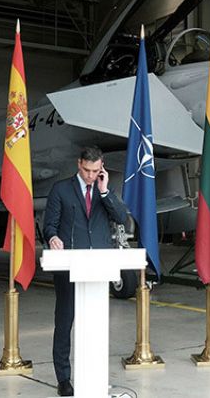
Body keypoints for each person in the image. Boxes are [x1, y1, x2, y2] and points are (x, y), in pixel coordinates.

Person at [43, 146, 129, 397]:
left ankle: (94, 374)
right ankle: (63, 378)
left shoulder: (104, 191)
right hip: (69, 266)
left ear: (101, 168)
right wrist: (53, 237)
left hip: (98, 266)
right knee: (64, 321)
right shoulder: (61, 189)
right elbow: (50, 225)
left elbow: (121, 217)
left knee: (95, 324)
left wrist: (104, 191)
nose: (90, 176)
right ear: (78, 164)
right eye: (86, 170)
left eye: (95, 171)